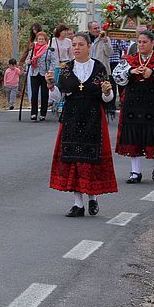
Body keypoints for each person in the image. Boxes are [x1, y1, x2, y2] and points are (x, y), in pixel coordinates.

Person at [47, 33, 117, 217]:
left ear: (89, 47)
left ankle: (92, 198)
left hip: (93, 117)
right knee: (74, 159)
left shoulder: (99, 67)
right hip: (71, 117)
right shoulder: (66, 69)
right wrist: (51, 87)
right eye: (74, 45)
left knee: (90, 158)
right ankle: (78, 204)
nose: (76, 48)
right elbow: (58, 97)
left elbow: (107, 98)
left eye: (80, 45)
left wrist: (107, 92)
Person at [113, 30, 154, 183]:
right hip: (133, 101)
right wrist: (131, 71)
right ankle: (135, 172)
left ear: (153, 43)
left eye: (144, 42)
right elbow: (117, 75)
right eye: (139, 42)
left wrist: (153, 72)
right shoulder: (130, 59)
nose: (141, 45)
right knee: (133, 133)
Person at [24, 31, 56, 121]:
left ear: (45, 40)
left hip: (45, 74)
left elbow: (53, 61)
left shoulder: (49, 50)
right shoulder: (33, 50)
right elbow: (27, 60)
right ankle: (33, 113)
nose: (41, 41)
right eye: (39, 39)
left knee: (44, 94)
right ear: (36, 40)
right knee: (34, 94)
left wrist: (50, 70)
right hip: (34, 73)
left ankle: (43, 114)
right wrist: (29, 62)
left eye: (42, 39)